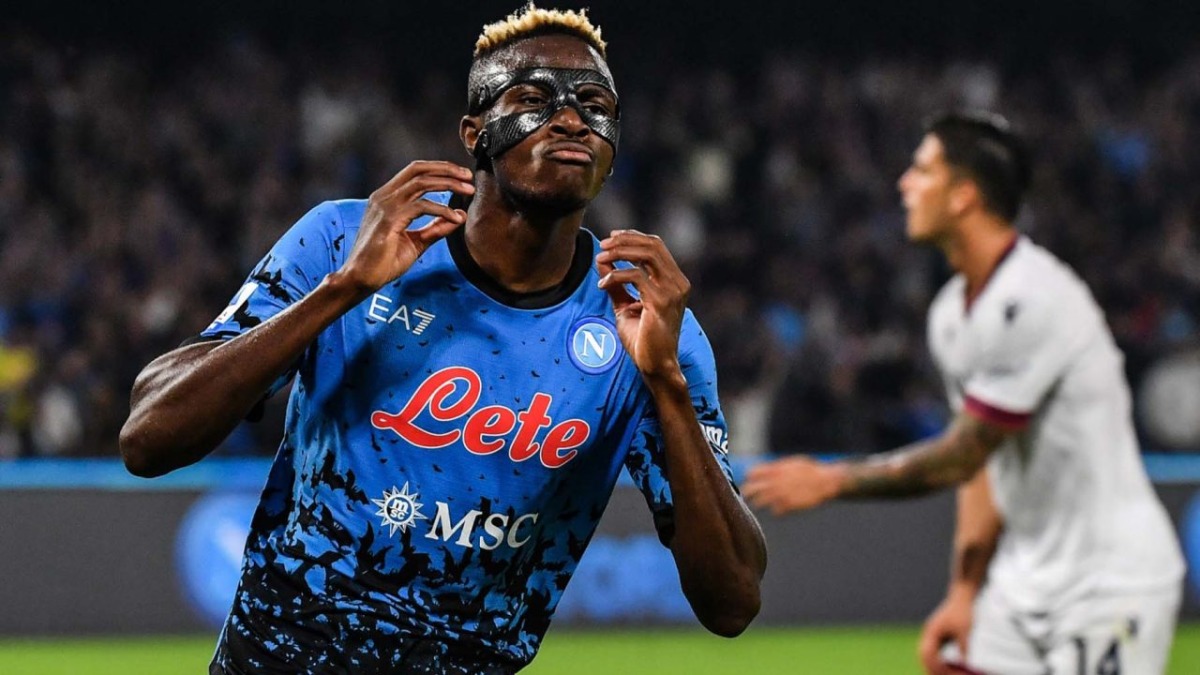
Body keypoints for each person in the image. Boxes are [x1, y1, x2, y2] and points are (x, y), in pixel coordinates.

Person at [119, 5, 766, 673]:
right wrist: (342, 289)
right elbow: (148, 436)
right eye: (534, 98)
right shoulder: (344, 240)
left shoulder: (646, 324)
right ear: (475, 131)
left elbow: (733, 601)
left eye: (594, 103)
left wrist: (668, 387)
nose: (572, 118)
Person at [744, 111, 1183, 675]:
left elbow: (964, 453)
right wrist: (964, 591)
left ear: (963, 196)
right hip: (1024, 585)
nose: (905, 183)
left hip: (1110, 583)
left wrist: (831, 479)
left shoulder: (1033, 298)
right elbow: (983, 469)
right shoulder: (952, 314)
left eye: (922, 170)